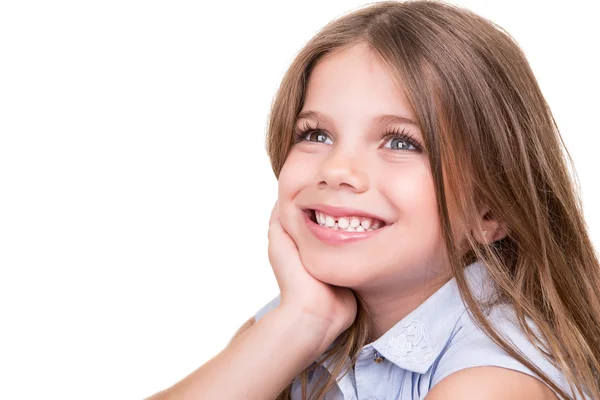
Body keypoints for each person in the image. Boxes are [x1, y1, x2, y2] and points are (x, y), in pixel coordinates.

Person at [147, 1, 600, 399]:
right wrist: (302, 320)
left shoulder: (492, 379)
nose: (337, 169)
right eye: (316, 134)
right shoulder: (305, 317)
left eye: (400, 143)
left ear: (491, 209)